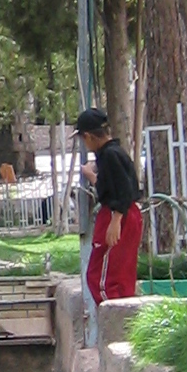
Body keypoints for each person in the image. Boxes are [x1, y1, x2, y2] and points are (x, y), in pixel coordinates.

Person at [76, 107, 143, 307]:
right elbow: (111, 187)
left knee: (103, 279)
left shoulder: (110, 155)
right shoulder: (110, 154)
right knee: (118, 273)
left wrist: (116, 220)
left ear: (88, 136)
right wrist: (93, 177)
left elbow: (123, 188)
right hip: (123, 213)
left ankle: (116, 320)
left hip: (118, 214)